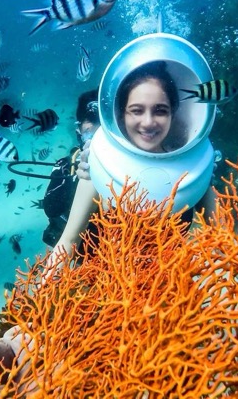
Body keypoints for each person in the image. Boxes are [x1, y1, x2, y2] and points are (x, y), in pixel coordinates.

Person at [47, 59, 217, 270]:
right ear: (121, 114)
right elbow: (67, 243)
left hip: (172, 287)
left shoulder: (193, 165)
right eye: (136, 110)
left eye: (160, 110)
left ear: (174, 112)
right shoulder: (101, 165)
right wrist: (42, 296)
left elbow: (222, 240)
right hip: (104, 283)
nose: (148, 122)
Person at [40, 89, 100, 248]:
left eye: (103, 123)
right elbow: (51, 207)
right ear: (78, 132)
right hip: (82, 251)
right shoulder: (67, 165)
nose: (97, 131)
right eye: (91, 123)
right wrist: (78, 180)